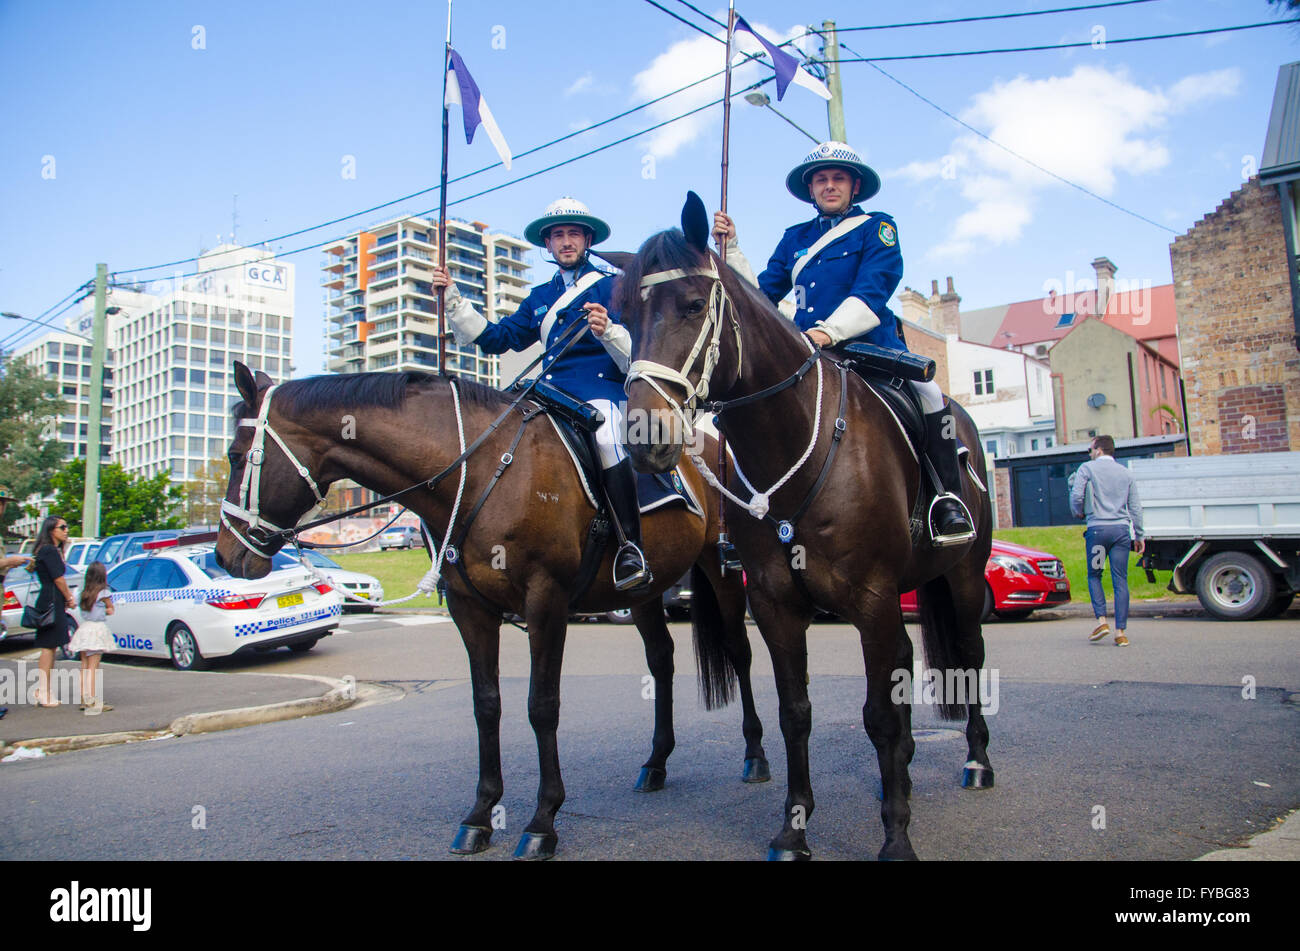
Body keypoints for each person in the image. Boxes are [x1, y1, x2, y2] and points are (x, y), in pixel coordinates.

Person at [713, 141, 973, 546]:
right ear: (811, 189)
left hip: (868, 349)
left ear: (854, 187)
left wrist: (826, 332)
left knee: (930, 393)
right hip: (806, 357)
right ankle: (750, 519)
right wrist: (733, 249)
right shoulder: (793, 238)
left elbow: (873, 291)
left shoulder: (878, 228)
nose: (829, 186)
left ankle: (946, 499)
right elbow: (760, 298)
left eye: (838, 179)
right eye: (821, 180)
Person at [431, 197, 651, 590]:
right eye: (558, 236)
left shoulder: (614, 288)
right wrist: (452, 299)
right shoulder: (538, 297)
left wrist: (610, 331)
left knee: (607, 439)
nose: (566, 242)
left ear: (586, 240)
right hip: (548, 392)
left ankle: (629, 547)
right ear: (548, 245)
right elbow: (498, 339)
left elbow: (639, 352)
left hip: (599, 391)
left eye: (573, 235)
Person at [1070, 435, 1145, 646]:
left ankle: (1102, 621)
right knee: (1120, 579)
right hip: (1121, 533)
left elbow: (1077, 496)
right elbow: (1136, 508)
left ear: (1099, 450)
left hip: (1098, 534)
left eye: (1091, 449)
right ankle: (1120, 632)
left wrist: (1078, 513)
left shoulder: (1087, 468)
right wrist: (1139, 535)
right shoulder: (1126, 473)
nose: (1090, 453)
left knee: (1095, 575)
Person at [30, 515, 75, 706]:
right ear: (51, 530)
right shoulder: (49, 550)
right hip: (51, 601)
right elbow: (58, 578)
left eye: (66, 527)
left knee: (51, 646)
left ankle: (44, 690)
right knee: (49, 647)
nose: (66, 530)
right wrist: (69, 597)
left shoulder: (49, 550)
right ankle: (42, 690)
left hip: (50, 599)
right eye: (62, 527)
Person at [68, 561, 115, 714]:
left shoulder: (83, 592)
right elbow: (110, 610)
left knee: (84, 666)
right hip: (97, 629)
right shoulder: (103, 593)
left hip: (84, 628)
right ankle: (92, 699)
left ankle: (84, 698)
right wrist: (108, 609)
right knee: (94, 668)